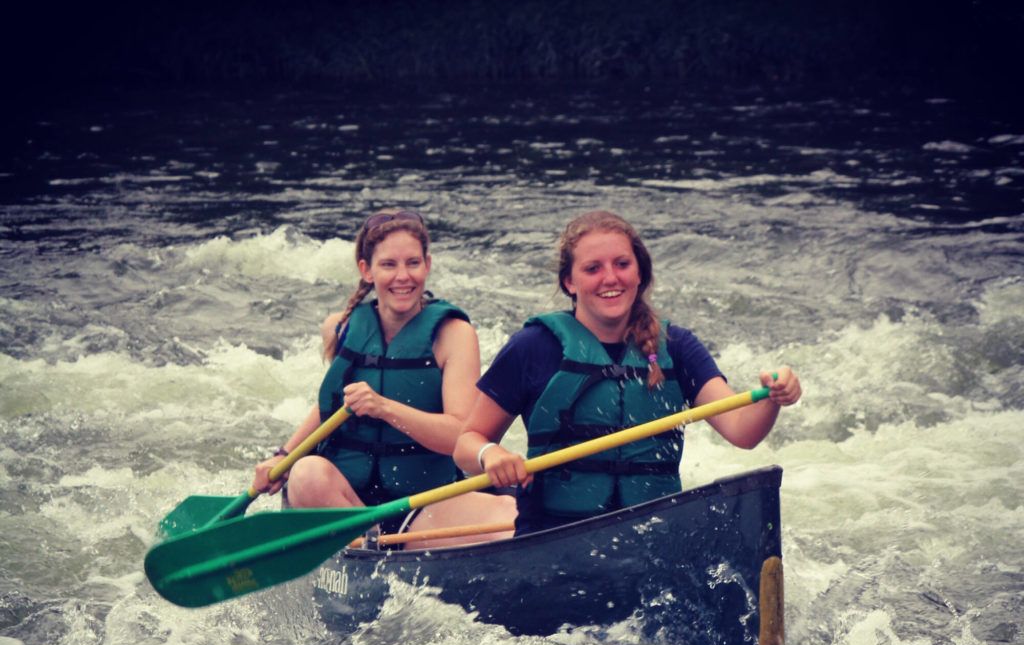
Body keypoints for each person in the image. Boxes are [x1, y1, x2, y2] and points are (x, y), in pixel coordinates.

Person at [454, 210, 801, 534]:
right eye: (592, 269)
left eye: (622, 264)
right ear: (569, 282)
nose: (610, 278)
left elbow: (743, 431)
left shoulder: (677, 346)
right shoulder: (531, 347)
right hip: (555, 538)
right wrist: (490, 455)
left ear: (639, 274)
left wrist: (773, 399)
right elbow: (467, 443)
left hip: (654, 535)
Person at [252, 209, 515, 548]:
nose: (402, 276)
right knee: (305, 472)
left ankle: (382, 549)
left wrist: (384, 408)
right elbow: (332, 408)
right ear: (366, 270)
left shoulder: (454, 335)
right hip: (344, 501)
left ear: (428, 265)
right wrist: (282, 455)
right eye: (389, 265)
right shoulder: (340, 328)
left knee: (510, 517)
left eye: (413, 263)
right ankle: (370, 547)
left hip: (422, 505)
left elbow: (460, 437)